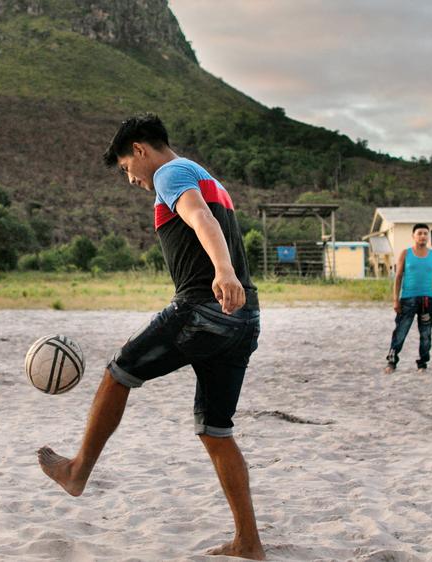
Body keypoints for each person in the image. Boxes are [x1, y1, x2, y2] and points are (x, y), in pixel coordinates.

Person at [37, 115, 265, 560]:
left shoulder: (169, 173)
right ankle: (248, 542)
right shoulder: (204, 174)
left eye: (125, 167)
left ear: (140, 149)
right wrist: (230, 278)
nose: (130, 178)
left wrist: (222, 271)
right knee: (216, 431)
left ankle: (77, 471)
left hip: (202, 309)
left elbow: (200, 219)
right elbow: (206, 218)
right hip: (243, 319)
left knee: (118, 373)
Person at [385, 223, 432, 373]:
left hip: (427, 301)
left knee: (426, 334)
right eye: (419, 233)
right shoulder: (405, 254)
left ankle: (422, 364)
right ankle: (392, 362)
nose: (423, 236)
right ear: (413, 236)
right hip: (407, 300)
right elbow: (398, 277)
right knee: (401, 331)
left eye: (425, 233)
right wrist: (395, 299)